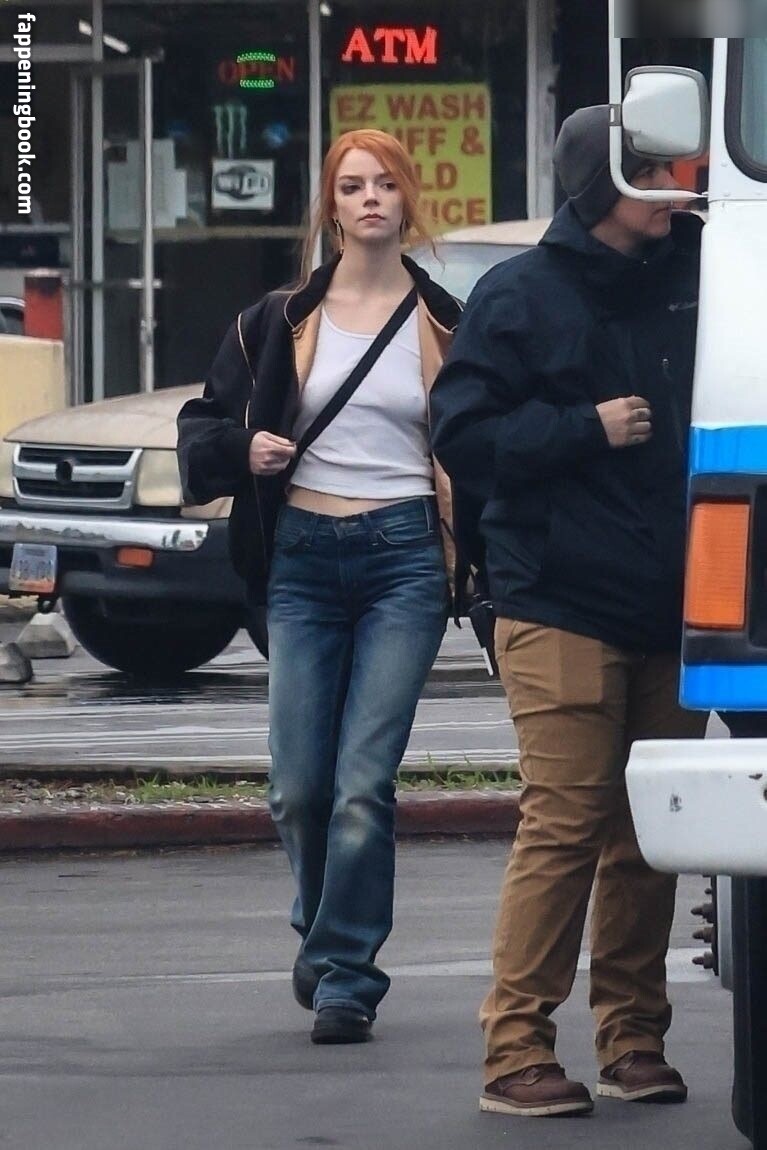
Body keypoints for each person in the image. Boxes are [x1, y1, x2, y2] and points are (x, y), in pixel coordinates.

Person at [430, 105, 709, 1116]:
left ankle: (632, 1041)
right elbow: (461, 436)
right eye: (655, 172)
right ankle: (514, 1051)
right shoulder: (517, 295)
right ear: (601, 185)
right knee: (565, 820)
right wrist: (582, 427)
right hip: (554, 599)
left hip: (674, 604)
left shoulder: (700, 276)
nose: (678, 185)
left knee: (647, 833)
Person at [177, 129, 463, 1046]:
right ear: (330, 207)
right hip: (300, 555)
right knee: (298, 789)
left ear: (407, 200)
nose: (370, 197)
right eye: (351, 185)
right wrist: (244, 449)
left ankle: (346, 975)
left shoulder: (445, 321)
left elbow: (479, 440)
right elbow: (201, 426)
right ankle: (325, 932)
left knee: (361, 785)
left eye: (385, 183)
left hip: (403, 558)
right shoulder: (277, 319)